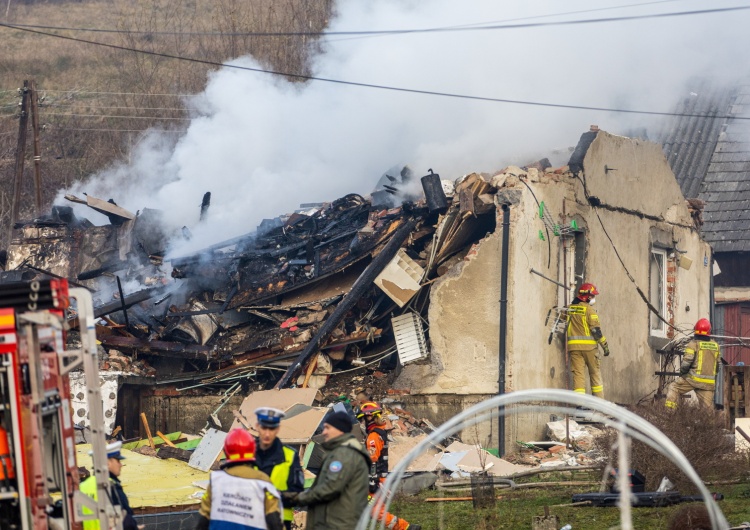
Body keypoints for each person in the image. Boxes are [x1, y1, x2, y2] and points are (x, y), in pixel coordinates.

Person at [281, 411, 370, 530]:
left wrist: (295, 498)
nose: (324, 432)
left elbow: (329, 488)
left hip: (335, 524)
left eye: (328, 428)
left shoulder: (343, 454)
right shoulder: (344, 451)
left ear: (340, 429)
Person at [195, 429, 283, 530]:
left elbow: (203, 521)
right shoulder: (263, 481)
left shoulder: (216, 481)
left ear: (226, 452)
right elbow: (274, 520)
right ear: (253, 451)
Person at [358, 402, 420, 530]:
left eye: (363, 419)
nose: (363, 423)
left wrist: (372, 482)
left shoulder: (374, 437)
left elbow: (372, 461)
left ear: (369, 418)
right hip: (380, 478)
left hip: (376, 480)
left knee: (375, 511)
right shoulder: (380, 433)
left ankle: (406, 528)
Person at [253, 407, 304, 530]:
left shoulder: (290, 455)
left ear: (278, 429)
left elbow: (298, 493)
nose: (267, 433)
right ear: (257, 426)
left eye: (272, 429)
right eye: (264, 428)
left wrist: (275, 497)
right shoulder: (244, 453)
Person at [79, 441, 141, 530]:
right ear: (108, 464)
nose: (121, 465)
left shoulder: (83, 486)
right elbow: (125, 520)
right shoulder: (110, 485)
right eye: (118, 461)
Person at [665, 318, 721, 410]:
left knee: (673, 387)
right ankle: (709, 424)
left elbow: (686, 363)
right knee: (707, 411)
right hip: (708, 384)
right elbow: (718, 366)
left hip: (692, 380)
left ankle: (669, 413)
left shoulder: (693, 344)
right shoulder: (716, 346)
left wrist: (683, 374)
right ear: (709, 331)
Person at [566, 282, 610, 398]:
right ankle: (599, 403)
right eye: (593, 296)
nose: (594, 298)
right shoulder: (589, 310)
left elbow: (561, 317)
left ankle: (579, 404)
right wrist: (604, 345)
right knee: (595, 374)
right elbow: (596, 331)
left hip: (574, 349)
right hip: (590, 349)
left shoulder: (569, 309)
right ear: (587, 296)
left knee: (578, 376)